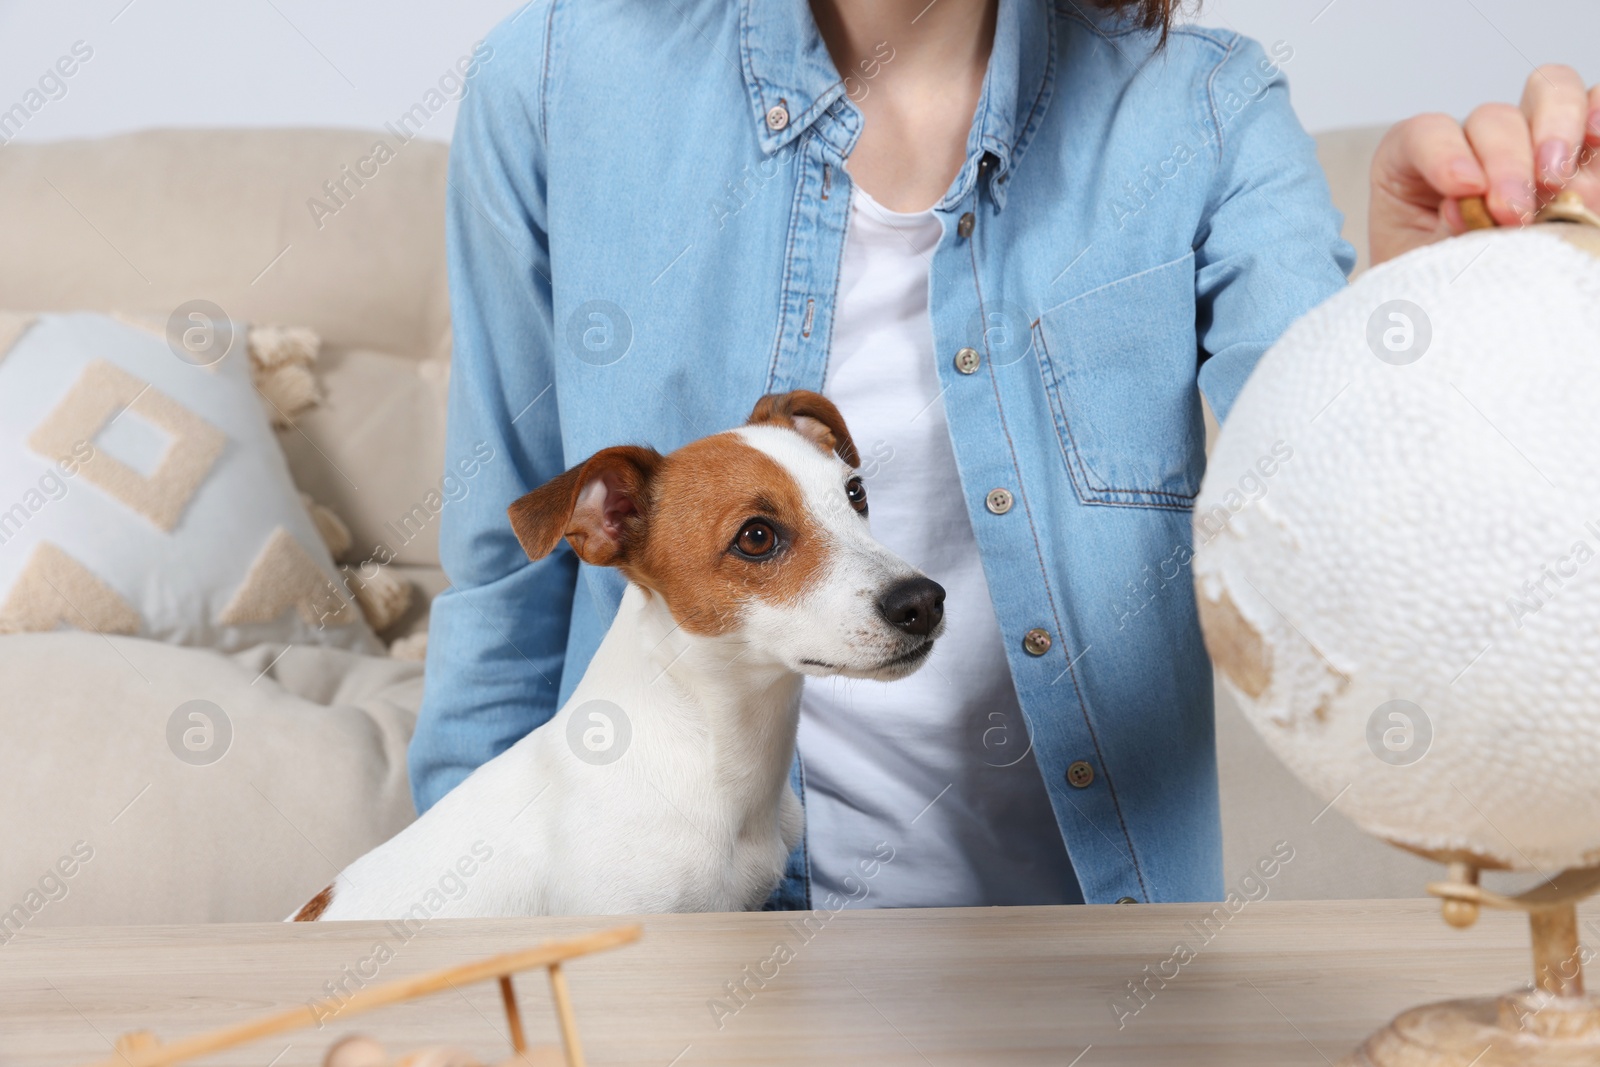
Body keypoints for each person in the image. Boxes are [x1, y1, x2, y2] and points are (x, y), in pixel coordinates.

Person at [407, 0, 1600, 907]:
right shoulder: (557, 77)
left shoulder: (1205, 111)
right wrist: (461, 985)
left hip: (1080, 973)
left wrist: (1441, 328)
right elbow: (506, 591)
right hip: (665, 967)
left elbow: (1357, 541)